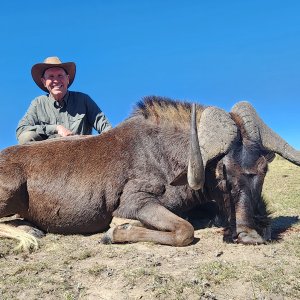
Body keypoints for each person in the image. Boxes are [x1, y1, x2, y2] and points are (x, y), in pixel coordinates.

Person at [16, 56, 112, 144]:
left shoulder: (83, 99)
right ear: (44, 82)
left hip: (81, 154)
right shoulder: (38, 103)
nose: (56, 81)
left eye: (60, 76)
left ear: (67, 79)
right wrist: (56, 128)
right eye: (51, 77)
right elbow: (22, 130)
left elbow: (106, 128)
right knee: (26, 137)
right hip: (48, 157)